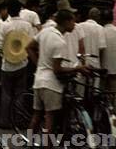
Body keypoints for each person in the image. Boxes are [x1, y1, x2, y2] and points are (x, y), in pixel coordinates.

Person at [26, 10, 92, 142]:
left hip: (39, 80)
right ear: (66, 22)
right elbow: (57, 69)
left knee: (37, 115)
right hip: (51, 85)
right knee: (50, 118)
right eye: (73, 21)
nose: (75, 24)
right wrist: (78, 67)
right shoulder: (60, 42)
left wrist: (39, 64)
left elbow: (29, 47)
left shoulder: (45, 32)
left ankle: (29, 142)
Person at [0, 0, 33, 128]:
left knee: (6, 93)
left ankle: (5, 121)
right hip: (22, 63)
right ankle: (18, 120)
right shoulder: (27, 25)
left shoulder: (5, 25)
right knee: (20, 93)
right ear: (20, 10)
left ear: (8, 11)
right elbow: (31, 43)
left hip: (7, 64)